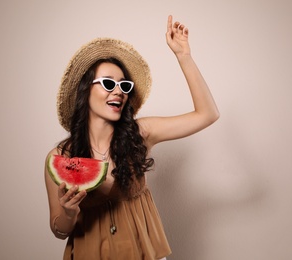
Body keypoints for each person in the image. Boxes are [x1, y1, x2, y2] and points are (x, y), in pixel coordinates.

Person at [44, 15, 219, 260]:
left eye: (124, 86)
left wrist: (184, 56)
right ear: (85, 90)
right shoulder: (61, 157)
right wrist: (68, 212)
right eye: (107, 83)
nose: (118, 91)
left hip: (143, 253)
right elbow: (59, 230)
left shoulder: (141, 133)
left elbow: (207, 114)